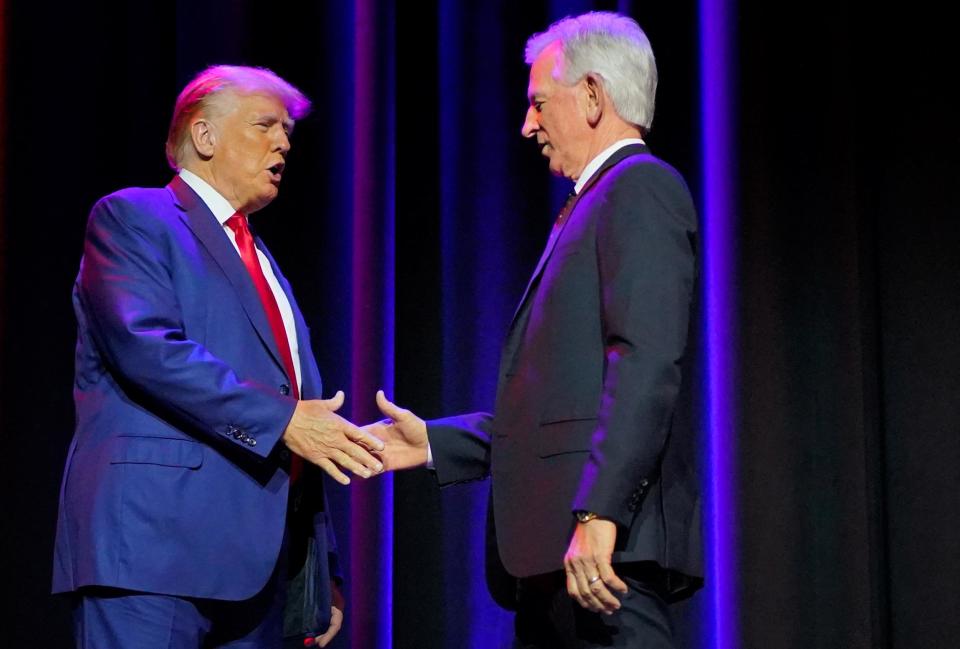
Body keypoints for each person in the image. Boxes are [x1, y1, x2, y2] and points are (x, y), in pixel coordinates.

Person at [368, 12, 702, 648]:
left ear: (594, 96)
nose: (528, 125)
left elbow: (645, 363)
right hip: (558, 561)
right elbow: (560, 411)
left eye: (538, 103)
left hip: (601, 559)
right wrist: (436, 443)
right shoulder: (592, 203)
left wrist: (599, 512)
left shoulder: (640, 188)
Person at [52, 65, 384, 649]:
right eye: (265, 125)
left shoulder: (261, 259)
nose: (283, 142)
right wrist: (284, 421)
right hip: (152, 555)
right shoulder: (134, 217)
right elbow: (146, 346)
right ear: (204, 137)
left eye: (287, 131)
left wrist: (317, 564)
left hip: (255, 570)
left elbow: (302, 414)